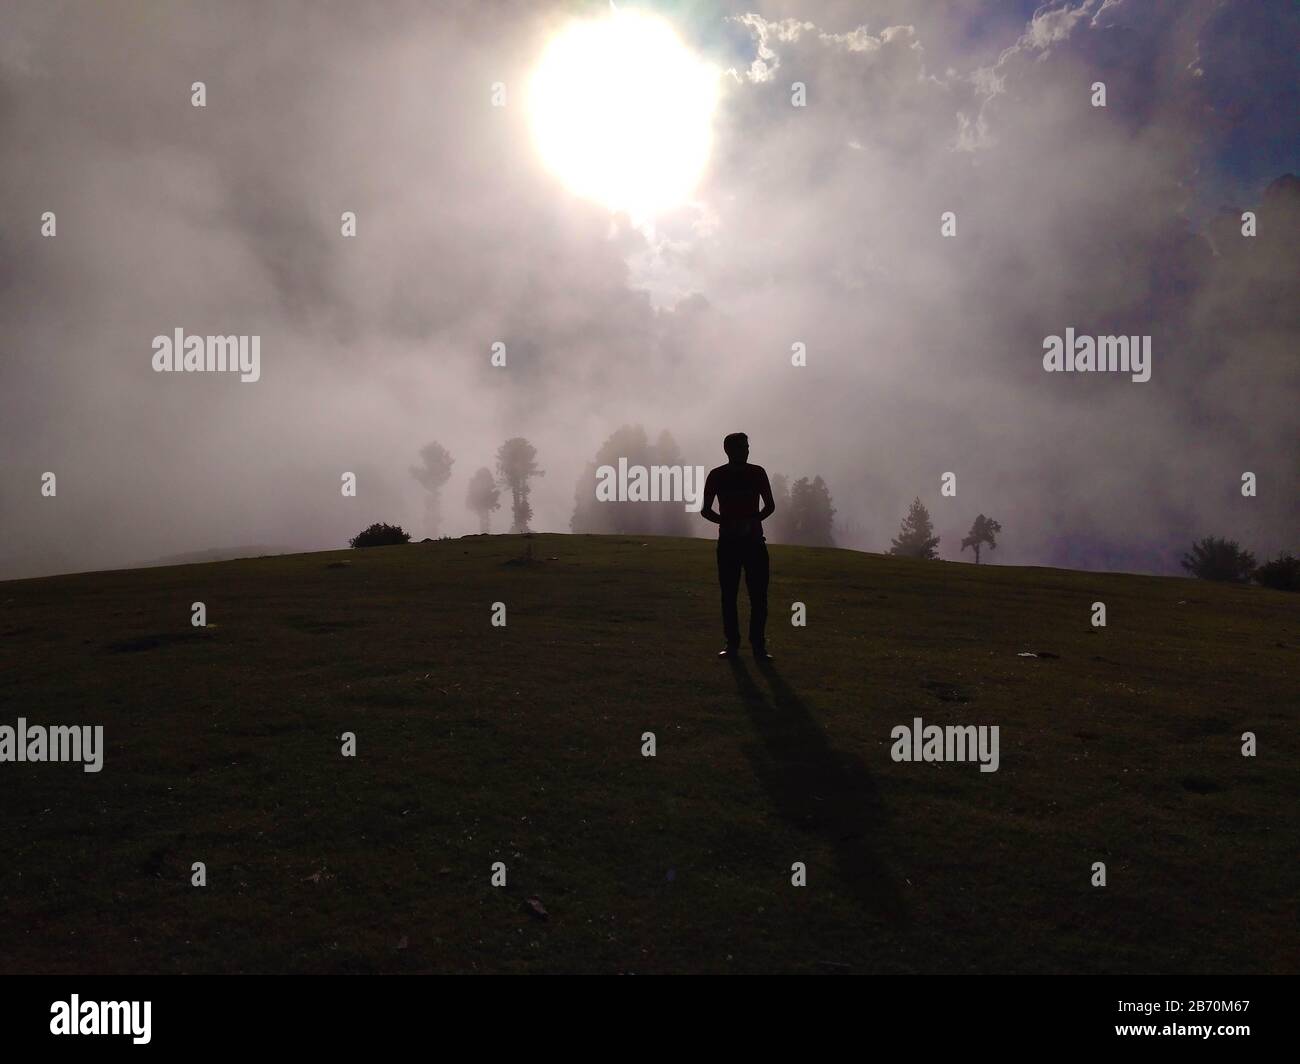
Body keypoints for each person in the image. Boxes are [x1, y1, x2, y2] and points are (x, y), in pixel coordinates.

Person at [701, 432, 775, 660]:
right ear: (729, 450)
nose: (746, 451)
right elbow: (706, 510)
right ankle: (733, 644)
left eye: (747, 447)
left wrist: (751, 522)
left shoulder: (757, 473)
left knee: (759, 596)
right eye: (742, 447)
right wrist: (729, 523)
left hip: (752, 542)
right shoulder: (717, 476)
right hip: (730, 543)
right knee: (729, 595)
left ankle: (757, 646)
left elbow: (770, 506)